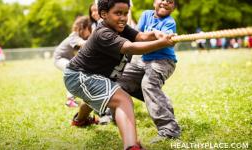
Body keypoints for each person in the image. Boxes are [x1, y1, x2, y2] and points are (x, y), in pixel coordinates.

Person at [63, 0, 175, 149]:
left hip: (94, 76)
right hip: (78, 76)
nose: (123, 18)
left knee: (95, 97)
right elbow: (131, 47)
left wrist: (155, 33)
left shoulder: (121, 27)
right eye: (118, 13)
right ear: (104, 14)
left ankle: (80, 120)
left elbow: (140, 37)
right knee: (123, 99)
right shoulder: (103, 33)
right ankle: (132, 146)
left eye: (125, 13)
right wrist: (161, 43)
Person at [117, 0, 181, 144]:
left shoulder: (170, 23)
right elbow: (137, 36)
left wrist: (163, 39)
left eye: (170, 1)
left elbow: (157, 44)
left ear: (173, 7)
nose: (165, 2)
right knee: (119, 80)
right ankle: (160, 100)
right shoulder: (146, 15)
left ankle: (170, 130)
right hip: (143, 60)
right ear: (154, 2)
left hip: (164, 61)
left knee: (148, 84)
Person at [54, 16, 92, 107]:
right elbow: (82, 44)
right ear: (83, 27)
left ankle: (76, 97)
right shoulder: (74, 35)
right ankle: (70, 100)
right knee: (71, 71)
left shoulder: (82, 36)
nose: (90, 30)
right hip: (59, 58)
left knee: (79, 73)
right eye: (89, 28)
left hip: (68, 59)